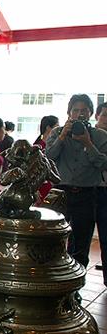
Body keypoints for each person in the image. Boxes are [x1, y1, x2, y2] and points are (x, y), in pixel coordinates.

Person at [46, 94, 107, 268]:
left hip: (87, 194)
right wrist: (62, 137)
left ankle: (77, 279)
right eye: (75, 110)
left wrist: (88, 143)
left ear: (90, 113)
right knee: (52, 238)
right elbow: (48, 158)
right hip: (60, 192)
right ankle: (52, 275)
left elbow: (104, 164)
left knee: (81, 243)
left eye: (84, 110)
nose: (79, 114)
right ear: (69, 113)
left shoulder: (100, 136)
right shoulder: (57, 132)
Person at [94, 103, 107, 278]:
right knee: (77, 238)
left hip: (105, 192)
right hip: (86, 191)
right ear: (96, 116)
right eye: (104, 115)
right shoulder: (86, 134)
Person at [34, 115, 59, 201]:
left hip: (53, 184)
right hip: (42, 185)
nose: (58, 129)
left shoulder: (55, 145)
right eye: (57, 126)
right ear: (48, 128)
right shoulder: (39, 146)